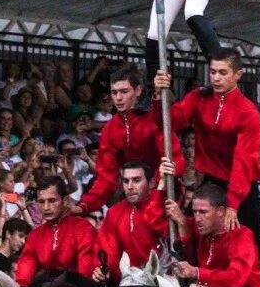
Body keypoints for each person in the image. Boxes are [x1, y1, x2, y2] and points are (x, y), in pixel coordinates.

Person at [153, 50, 260, 279]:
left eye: (223, 73)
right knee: (186, 228)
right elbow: (169, 122)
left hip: (241, 188)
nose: (215, 78)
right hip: (211, 181)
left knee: (251, 245)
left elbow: (243, 162)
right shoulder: (199, 97)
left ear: (238, 75)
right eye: (213, 72)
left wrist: (232, 204)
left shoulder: (248, 112)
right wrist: (158, 94)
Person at [72, 66, 184, 215]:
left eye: (124, 92)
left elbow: (175, 163)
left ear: (137, 91)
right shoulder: (110, 129)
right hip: (134, 195)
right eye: (114, 92)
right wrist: (84, 205)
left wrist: (155, 184)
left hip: (164, 193)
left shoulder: (154, 119)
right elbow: (105, 178)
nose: (118, 98)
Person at [92, 159, 178, 283]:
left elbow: (160, 229)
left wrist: (163, 184)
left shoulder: (164, 205)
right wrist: (103, 269)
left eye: (136, 180)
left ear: (152, 182)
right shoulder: (114, 212)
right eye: (126, 181)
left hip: (163, 280)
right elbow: (107, 250)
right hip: (128, 282)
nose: (130, 187)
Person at [15, 176, 95, 287]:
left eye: (52, 201)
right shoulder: (35, 235)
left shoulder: (82, 228)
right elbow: (23, 275)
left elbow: (86, 272)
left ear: (65, 200)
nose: (46, 207)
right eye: (41, 202)